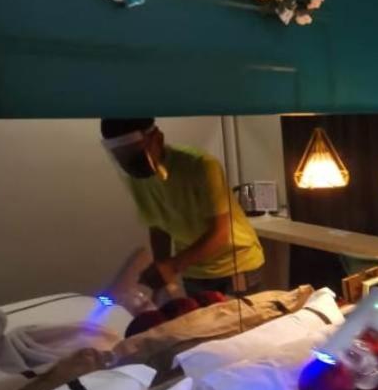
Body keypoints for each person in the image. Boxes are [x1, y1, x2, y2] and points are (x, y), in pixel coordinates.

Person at [100, 118, 265, 299]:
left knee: (237, 318)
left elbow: (220, 233)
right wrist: (161, 271)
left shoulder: (200, 165)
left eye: (135, 153)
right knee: (199, 318)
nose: (130, 163)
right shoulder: (135, 179)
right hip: (193, 271)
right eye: (121, 156)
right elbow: (158, 226)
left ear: (158, 139)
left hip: (236, 264)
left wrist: (172, 266)